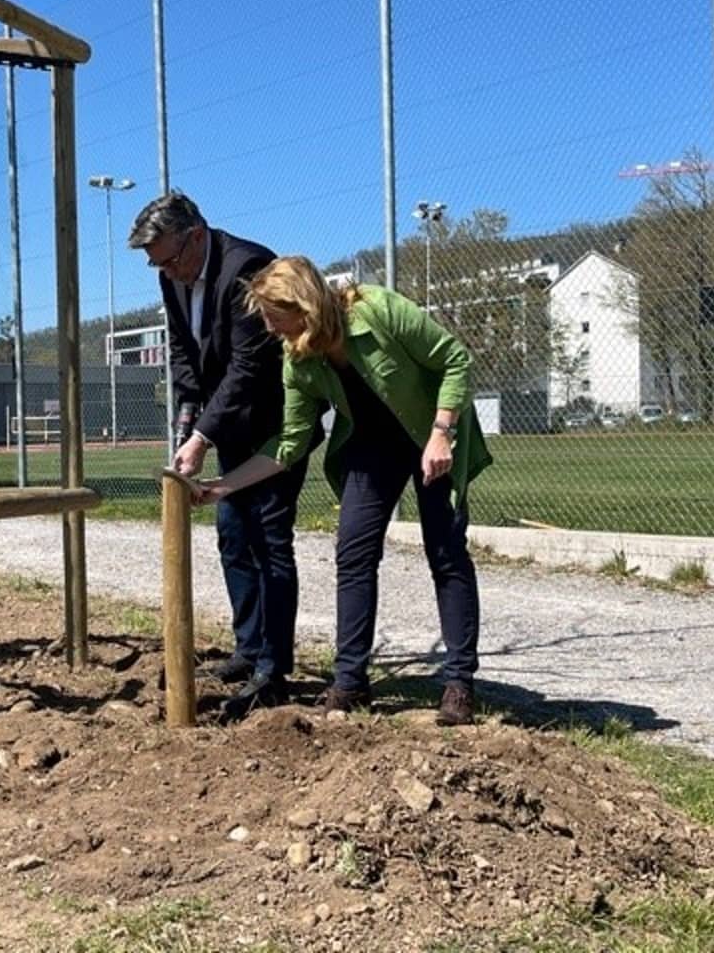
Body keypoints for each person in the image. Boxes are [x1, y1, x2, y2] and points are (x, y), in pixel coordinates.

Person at [198, 255, 492, 725]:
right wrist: (222, 487)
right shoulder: (298, 359)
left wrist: (442, 431)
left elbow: (454, 359)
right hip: (372, 447)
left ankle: (459, 683)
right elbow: (289, 444)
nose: (271, 330)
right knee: (352, 553)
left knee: (445, 551)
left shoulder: (377, 310)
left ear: (304, 307)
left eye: (276, 318)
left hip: (429, 433)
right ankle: (351, 682)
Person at [128, 193, 316, 722]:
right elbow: (185, 351)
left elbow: (249, 367)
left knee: (270, 540)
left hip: (276, 427)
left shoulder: (246, 268)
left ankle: (274, 671)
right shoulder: (173, 275)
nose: (163, 271)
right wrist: (188, 416)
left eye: (167, 259)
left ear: (195, 236)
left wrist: (202, 438)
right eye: (156, 264)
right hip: (228, 426)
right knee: (233, 535)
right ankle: (249, 649)